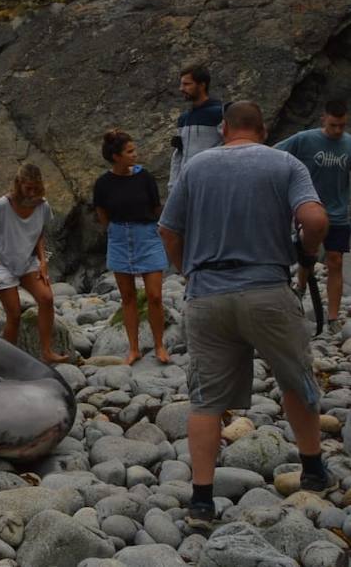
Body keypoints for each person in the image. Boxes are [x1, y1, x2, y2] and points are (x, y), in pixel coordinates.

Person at [158, 100, 330, 526]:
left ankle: (201, 500)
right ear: (263, 129)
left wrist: (186, 271)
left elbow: (168, 229)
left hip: (207, 296)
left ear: (223, 128)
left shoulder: (196, 167)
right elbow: (314, 219)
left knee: (206, 400)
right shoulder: (285, 163)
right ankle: (312, 470)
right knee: (295, 379)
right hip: (267, 291)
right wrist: (307, 255)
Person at [0, 164, 69, 364]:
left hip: (27, 261)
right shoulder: (3, 204)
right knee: (15, 314)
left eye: (36, 188)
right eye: (28, 188)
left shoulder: (43, 206)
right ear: (19, 184)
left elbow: (38, 234)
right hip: (1, 263)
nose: (32, 192)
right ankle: (5, 361)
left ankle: (46, 351)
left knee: (46, 298)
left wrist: (43, 262)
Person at [93, 130, 171, 364]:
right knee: (127, 297)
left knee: (155, 296)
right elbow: (101, 213)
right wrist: (114, 231)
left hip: (147, 235)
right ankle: (133, 349)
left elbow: (156, 207)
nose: (135, 154)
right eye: (130, 151)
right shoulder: (103, 183)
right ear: (116, 156)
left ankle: (160, 346)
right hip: (119, 237)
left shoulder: (145, 177)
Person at [276, 98, 351, 328]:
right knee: (307, 256)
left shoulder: (348, 144)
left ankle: (333, 317)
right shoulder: (304, 139)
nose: (337, 131)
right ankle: (300, 287)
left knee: (335, 260)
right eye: (333, 125)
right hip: (309, 209)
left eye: (342, 126)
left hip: (338, 213)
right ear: (323, 119)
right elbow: (274, 154)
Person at [169, 64, 223, 190]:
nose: (181, 88)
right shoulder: (184, 118)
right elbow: (178, 155)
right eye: (181, 84)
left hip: (211, 185)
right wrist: (173, 186)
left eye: (187, 84)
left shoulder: (219, 113)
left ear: (202, 85)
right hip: (186, 185)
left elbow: (229, 148)